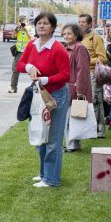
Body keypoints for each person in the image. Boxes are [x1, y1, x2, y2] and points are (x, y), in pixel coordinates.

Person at [17, 12, 71, 189]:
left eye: (46, 24)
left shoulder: (58, 48)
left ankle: (51, 179)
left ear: (53, 28)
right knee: (40, 135)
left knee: (53, 139)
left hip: (56, 96)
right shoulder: (32, 44)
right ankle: (43, 173)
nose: (41, 26)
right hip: (38, 95)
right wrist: (29, 66)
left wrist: (46, 79)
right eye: (39, 23)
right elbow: (19, 64)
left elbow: (65, 75)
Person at [62, 23, 93, 152]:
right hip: (68, 87)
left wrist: (80, 91)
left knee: (72, 118)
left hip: (75, 87)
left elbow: (82, 70)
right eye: (64, 34)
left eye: (69, 33)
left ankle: (72, 145)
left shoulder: (79, 48)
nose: (66, 36)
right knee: (70, 117)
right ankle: (72, 144)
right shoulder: (67, 48)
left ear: (76, 35)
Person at [78, 13, 108, 138]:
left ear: (89, 24)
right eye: (79, 22)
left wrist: (84, 60)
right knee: (83, 101)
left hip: (92, 73)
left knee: (96, 101)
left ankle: (98, 129)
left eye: (83, 22)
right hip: (80, 74)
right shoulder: (78, 38)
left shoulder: (95, 37)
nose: (80, 24)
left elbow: (103, 58)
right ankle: (88, 128)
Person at [9, 19, 31, 94]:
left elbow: (32, 38)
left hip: (28, 52)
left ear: (27, 23)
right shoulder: (18, 29)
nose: (23, 24)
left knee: (33, 70)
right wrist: (16, 30)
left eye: (24, 23)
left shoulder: (30, 28)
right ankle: (13, 87)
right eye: (22, 23)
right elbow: (12, 36)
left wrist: (26, 30)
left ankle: (37, 86)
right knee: (15, 69)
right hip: (19, 52)